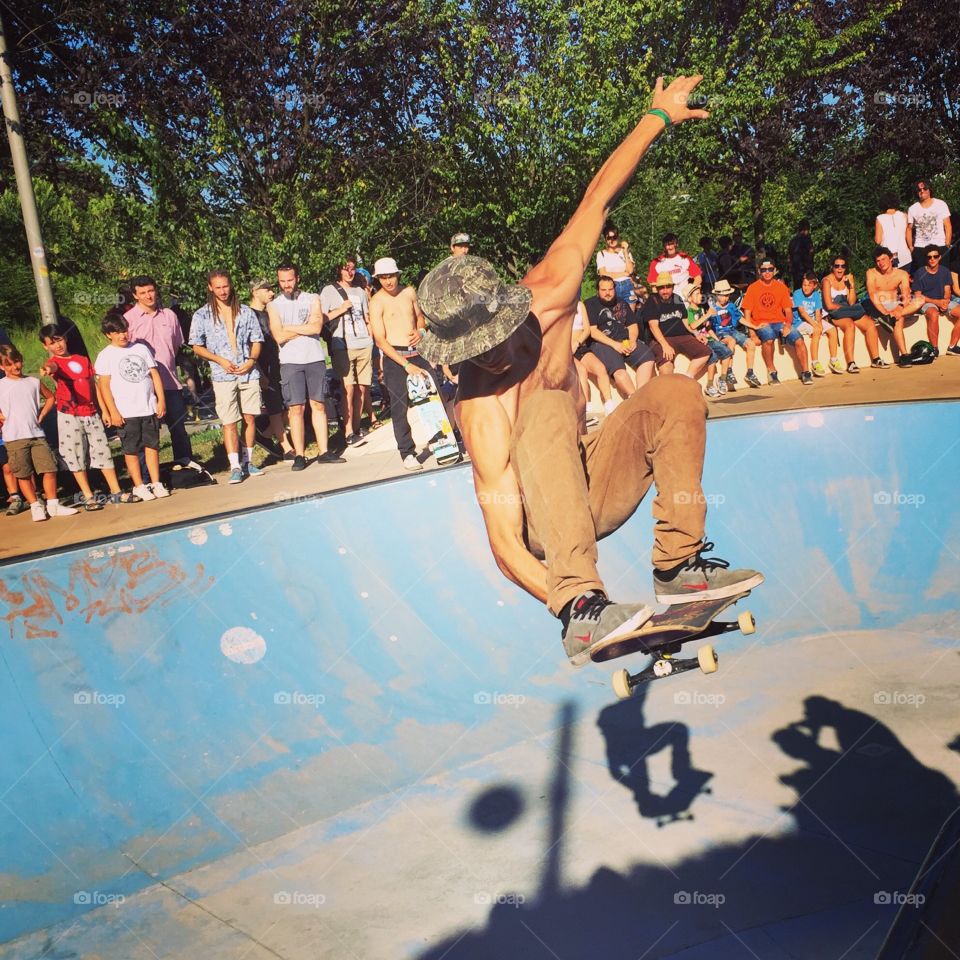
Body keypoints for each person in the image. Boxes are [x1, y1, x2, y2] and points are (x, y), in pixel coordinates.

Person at [415, 75, 763, 664]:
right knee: (547, 406)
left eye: (493, 338)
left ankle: (678, 564)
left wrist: (656, 116)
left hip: (592, 483)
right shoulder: (481, 412)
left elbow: (596, 199)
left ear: (508, 308)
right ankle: (586, 603)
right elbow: (504, 545)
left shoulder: (551, 288)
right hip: (544, 529)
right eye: (473, 351)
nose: (490, 356)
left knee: (676, 391)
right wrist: (566, 605)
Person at [369, 255, 448, 471]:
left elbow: (420, 317)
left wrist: (421, 331)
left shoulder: (409, 292)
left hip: (417, 351)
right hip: (396, 358)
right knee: (399, 406)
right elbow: (380, 341)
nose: (388, 281)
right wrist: (405, 365)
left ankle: (446, 440)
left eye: (391, 276)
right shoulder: (376, 302)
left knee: (436, 397)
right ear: (378, 279)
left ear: (397, 275)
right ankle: (407, 452)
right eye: (383, 277)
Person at [190, 270, 265, 484]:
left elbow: (257, 340)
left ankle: (248, 460)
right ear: (210, 288)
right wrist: (219, 360)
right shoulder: (202, 315)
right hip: (222, 374)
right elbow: (196, 346)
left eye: (226, 286)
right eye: (218, 287)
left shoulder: (244, 311)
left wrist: (251, 361)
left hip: (247, 371)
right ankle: (235, 466)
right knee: (229, 420)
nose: (223, 291)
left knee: (250, 416)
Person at [267, 262, 344, 470]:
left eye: (290, 280)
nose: (286, 285)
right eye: (282, 281)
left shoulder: (312, 298)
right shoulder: (273, 305)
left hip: (314, 358)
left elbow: (317, 327)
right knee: (296, 408)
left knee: (318, 404)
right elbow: (278, 335)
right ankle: (299, 454)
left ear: (297, 278)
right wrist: (304, 328)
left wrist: (290, 327)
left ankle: (324, 451)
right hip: (290, 361)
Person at [38, 323, 124, 509]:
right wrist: (47, 370)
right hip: (69, 414)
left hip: (91, 412)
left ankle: (116, 491)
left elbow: (94, 387)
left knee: (102, 449)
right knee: (75, 454)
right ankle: (88, 495)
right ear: (46, 347)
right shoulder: (55, 363)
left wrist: (104, 410)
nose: (57, 345)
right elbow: (51, 366)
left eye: (59, 339)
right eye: (51, 343)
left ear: (65, 339)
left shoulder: (82, 359)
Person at [95, 315, 171, 501]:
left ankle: (156, 482)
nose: (122, 335)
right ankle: (139, 485)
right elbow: (104, 386)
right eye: (117, 332)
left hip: (147, 407)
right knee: (131, 449)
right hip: (126, 413)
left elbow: (154, 375)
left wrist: (160, 400)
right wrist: (112, 411)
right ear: (108, 335)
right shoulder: (106, 355)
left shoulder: (141, 349)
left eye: (124, 330)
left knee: (152, 446)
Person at [0, 344, 79, 520]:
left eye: (18, 361)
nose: (16, 367)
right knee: (23, 473)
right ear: (2, 366)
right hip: (14, 437)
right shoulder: (1, 385)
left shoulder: (33, 382)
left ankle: (53, 504)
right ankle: (35, 505)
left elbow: (50, 397)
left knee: (49, 468)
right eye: (10, 364)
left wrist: (42, 413)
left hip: (36, 434)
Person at [123, 275, 194, 467]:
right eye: (142, 293)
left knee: (178, 428)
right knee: (146, 433)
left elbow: (177, 345)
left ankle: (187, 467)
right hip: (143, 387)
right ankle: (148, 477)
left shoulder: (170, 315)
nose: (148, 296)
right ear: (135, 296)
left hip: (170, 382)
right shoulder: (128, 320)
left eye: (151, 291)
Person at [320, 260, 375, 445]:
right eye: (346, 268)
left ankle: (356, 427)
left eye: (352, 268)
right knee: (348, 389)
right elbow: (320, 318)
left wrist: (371, 337)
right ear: (339, 270)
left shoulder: (360, 291)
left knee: (362, 387)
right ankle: (348, 431)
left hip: (364, 343)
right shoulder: (329, 290)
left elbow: (367, 317)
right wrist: (340, 309)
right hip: (343, 344)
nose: (350, 272)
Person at [741, 259, 813, 385]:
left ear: (774, 270)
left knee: (798, 339)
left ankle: (806, 372)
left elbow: (788, 311)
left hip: (780, 322)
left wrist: (788, 325)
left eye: (770, 269)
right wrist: (752, 333)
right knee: (768, 338)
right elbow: (747, 313)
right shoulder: (753, 288)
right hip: (761, 323)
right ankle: (772, 372)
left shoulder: (781, 287)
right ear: (759, 271)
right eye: (764, 270)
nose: (767, 272)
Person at [584, 276, 655, 399]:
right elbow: (593, 331)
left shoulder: (622, 302)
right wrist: (615, 345)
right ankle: (635, 398)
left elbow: (632, 325)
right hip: (603, 344)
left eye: (611, 289)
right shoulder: (590, 304)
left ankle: (641, 396)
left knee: (648, 357)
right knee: (619, 371)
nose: (607, 293)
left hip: (625, 341)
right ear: (598, 290)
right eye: (604, 290)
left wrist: (632, 340)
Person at [249, 279, 293, 460]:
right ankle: (287, 448)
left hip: (280, 363)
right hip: (263, 367)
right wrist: (258, 372)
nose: (271, 293)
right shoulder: (248, 315)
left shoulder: (270, 312)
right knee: (275, 407)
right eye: (266, 290)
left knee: (290, 405)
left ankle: (266, 435)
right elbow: (247, 348)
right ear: (255, 291)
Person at [639, 272, 711, 378]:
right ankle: (668, 393)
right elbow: (653, 326)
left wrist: (696, 334)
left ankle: (687, 378)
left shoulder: (677, 298)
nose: (665, 290)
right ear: (657, 289)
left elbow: (685, 320)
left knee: (705, 352)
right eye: (662, 288)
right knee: (666, 366)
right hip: (662, 338)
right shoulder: (652, 300)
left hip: (683, 336)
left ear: (672, 287)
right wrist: (665, 345)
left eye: (668, 287)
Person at [863, 247, 924, 367]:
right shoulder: (871, 273)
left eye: (884, 259)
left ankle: (893, 317)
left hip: (895, 305)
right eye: (878, 261)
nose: (881, 263)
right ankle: (905, 355)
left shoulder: (902, 274)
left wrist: (900, 308)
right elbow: (872, 294)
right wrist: (885, 312)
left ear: (891, 258)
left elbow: (905, 293)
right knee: (899, 320)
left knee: (920, 300)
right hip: (877, 305)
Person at [820, 256, 878, 374]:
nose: (840, 269)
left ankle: (876, 359)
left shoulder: (847, 280)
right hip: (834, 313)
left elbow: (851, 301)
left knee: (870, 324)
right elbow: (829, 305)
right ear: (832, 267)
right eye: (837, 266)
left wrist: (851, 285)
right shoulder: (827, 281)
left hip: (847, 309)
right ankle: (851, 363)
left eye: (843, 266)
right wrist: (845, 307)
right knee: (850, 325)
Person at [704, 279, 756, 390]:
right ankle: (728, 370)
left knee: (751, 344)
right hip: (720, 333)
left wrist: (753, 326)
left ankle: (750, 373)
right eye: (722, 295)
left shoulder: (731, 306)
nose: (725, 298)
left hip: (733, 330)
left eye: (727, 295)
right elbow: (708, 326)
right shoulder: (712, 308)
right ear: (716, 295)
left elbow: (740, 318)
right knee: (731, 341)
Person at [684, 284, 733, 397]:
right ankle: (709, 385)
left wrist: (716, 339)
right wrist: (707, 315)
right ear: (690, 298)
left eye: (700, 293)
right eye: (697, 294)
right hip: (700, 340)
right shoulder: (690, 311)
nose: (700, 295)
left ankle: (722, 378)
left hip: (709, 338)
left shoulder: (701, 309)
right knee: (713, 357)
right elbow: (693, 326)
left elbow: (708, 328)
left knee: (727, 352)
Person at [911, 246, 960, 353]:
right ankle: (934, 348)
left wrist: (945, 301)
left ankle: (952, 347)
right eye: (929, 257)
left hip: (942, 301)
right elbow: (918, 296)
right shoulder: (919, 273)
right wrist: (937, 302)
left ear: (939, 257)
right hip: (926, 302)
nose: (932, 259)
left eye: (935, 256)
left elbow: (947, 291)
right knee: (933, 313)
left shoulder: (945, 271)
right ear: (926, 259)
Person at [572, 301, 615, 418]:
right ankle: (585, 410)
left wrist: (577, 342)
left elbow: (587, 330)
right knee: (581, 370)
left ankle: (609, 405)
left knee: (600, 368)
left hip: (579, 346)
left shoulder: (580, 305)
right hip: (565, 348)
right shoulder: (559, 305)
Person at [793, 273, 838, 377]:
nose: (806, 287)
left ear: (814, 286)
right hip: (800, 322)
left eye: (809, 285)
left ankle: (834, 359)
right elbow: (803, 313)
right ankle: (815, 362)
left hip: (813, 319)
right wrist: (816, 326)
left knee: (832, 330)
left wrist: (819, 323)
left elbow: (818, 312)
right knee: (816, 331)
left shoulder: (817, 295)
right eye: (804, 285)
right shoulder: (797, 293)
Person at [907, 179, 952, 271]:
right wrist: (911, 247)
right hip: (920, 248)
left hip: (940, 246)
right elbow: (909, 229)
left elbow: (948, 225)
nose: (922, 191)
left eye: (925, 188)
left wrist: (947, 243)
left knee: (942, 276)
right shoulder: (912, 208)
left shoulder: (941, 204)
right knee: (922, 277)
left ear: (929, 189)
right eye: (919, 190)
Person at [646, 233, 702, 301]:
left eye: (672, 244)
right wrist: (658, 301)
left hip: (685, 299)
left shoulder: (685, 258)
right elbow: (653, 285)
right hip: (666, 300)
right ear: (664, 246)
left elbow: (698, 277)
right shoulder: (657, 262)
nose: (670, 247)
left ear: (676, 244)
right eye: (667, 245)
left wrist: (690, 292)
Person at [596, 223, 636, 307]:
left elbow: (630, 270)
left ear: (618, 237)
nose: (612, 240)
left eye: (614, 237)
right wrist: (623, 273)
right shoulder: (601, 254)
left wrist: (625, 251)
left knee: (631, 315)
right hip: (613, 287)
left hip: (627, 285)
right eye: (609, 238)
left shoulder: (625, 252)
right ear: (605, 239)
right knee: (615, 314)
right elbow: (603, 274)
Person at [874, 193, 911, 269]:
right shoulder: (904, 215)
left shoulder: (880, 218)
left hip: (888, 256)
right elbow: (908, 235)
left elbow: (878, 240)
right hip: (905, 255)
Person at [787, 220, 815, 291]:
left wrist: (790, 268)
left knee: (797, 290)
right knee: (808, 289)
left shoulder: (792, 241)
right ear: (807, 228)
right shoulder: (807, 239)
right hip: (805, 270)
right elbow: (811, 253)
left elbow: (789, 257)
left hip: (795, 271)